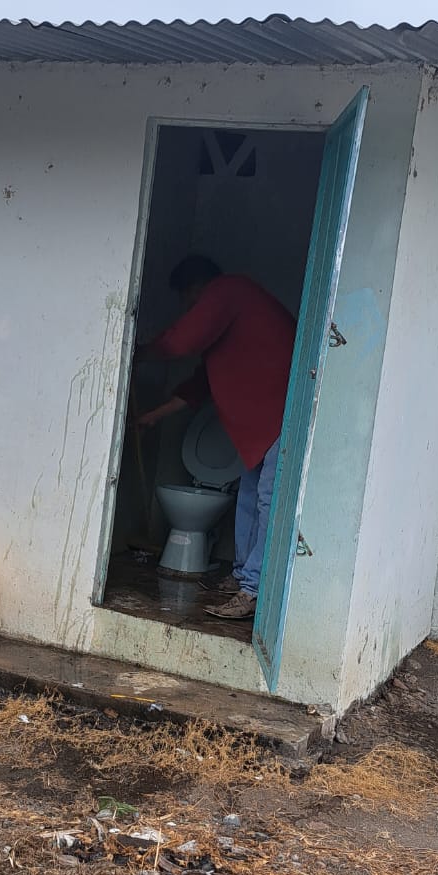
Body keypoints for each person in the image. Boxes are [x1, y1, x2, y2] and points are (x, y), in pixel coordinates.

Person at [137, 255, 296, 620]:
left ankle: (254, 590)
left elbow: (181, 341)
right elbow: (200, 387)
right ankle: (241, 576)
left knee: (268, 500)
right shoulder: (232, 323)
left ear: (197, 288)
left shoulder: (229, 290)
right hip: (263, 424)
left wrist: (143, 351)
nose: (188, 309)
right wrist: (151, 417)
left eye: (187, 300)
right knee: (250, 497)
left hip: (285, 409)